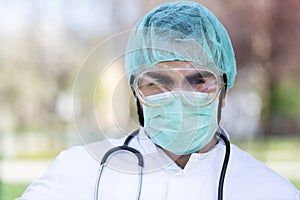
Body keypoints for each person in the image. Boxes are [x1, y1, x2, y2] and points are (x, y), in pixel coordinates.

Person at [18, 1, 299, 200]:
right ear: (136, 94)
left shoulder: (272, 192)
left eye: (199, 81)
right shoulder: (78, 173)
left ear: (224, 91)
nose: (179, 98)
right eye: (158, 83)